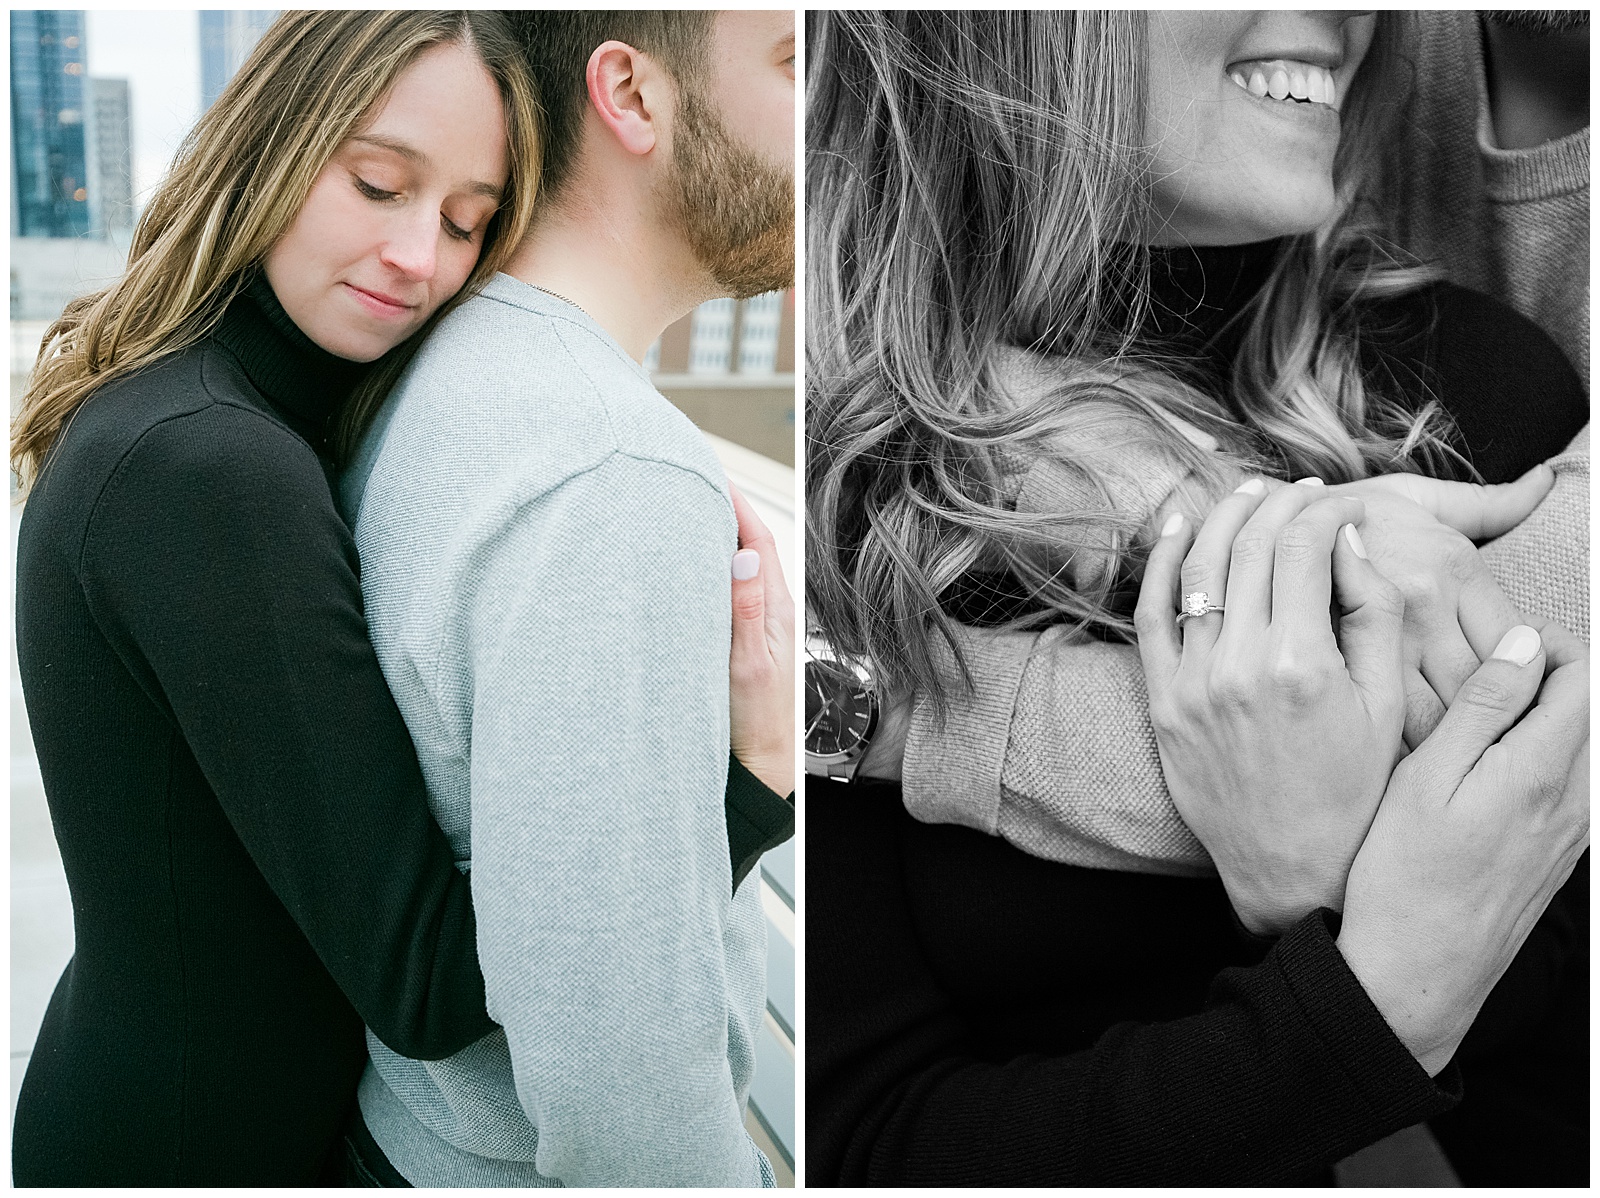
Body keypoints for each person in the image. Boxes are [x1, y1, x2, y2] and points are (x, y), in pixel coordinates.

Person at [805, 10, 1588, 1185]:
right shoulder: (849, 478)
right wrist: (1365, 989)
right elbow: (866, 1142)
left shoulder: (1471, 389)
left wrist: (1317, 900)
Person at [10, 11, 790, 1187]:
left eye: (467, 221)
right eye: (379, 185)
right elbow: (424, 975)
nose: (418, 258)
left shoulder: (236, 407)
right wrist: (749, 783)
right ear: (273, 142)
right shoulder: (210, 471)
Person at [334, 10, 794, 1187]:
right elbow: (626, 1089)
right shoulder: (610, 468)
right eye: (798, 68)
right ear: (630, 96)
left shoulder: (443, 365)